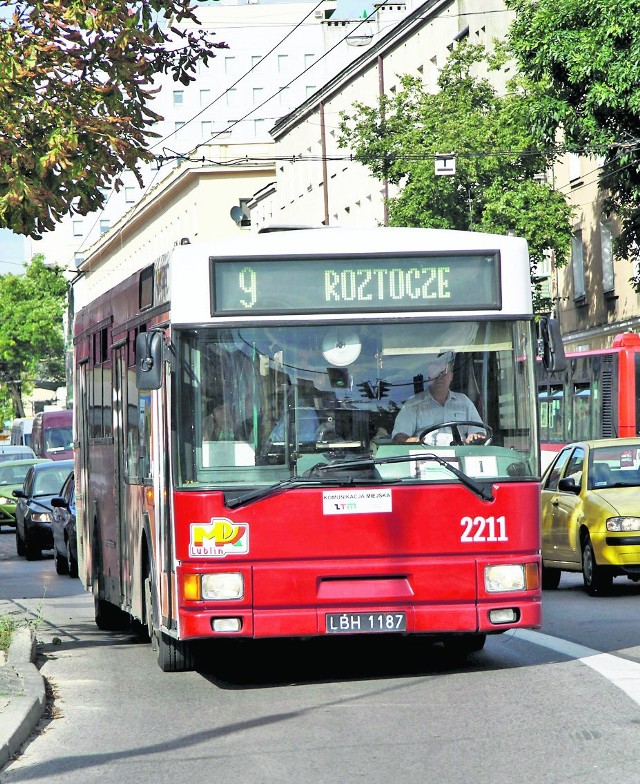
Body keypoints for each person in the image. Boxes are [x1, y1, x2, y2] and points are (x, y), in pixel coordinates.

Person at [392, 351, 486, 445]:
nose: (439, 378)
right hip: (427, 456)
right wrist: (417, 441)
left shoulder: (464, 401)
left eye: (443, 373)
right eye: (435, 374)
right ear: (428, 377)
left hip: (460, 454)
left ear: (451, 376)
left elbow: (479, 432)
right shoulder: (413, 404)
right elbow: (399, 436)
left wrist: (475, 437)